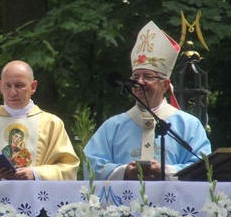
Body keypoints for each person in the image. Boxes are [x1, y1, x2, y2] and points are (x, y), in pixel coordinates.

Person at [84, 21, 211, 180]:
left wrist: (165, 171)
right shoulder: (113, 127)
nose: (140, 82)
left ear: (165, 85)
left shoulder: (188, 125)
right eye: (136, 77)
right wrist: (125, 171)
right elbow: (91, 165)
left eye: (148, 77)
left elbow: (203, 166)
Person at [0, 60, 80, 181]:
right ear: (0, 86)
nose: (13, 92)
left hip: (37, 198)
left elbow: (68, 167)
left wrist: (36, 173)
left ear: (33, 87)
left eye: (19, 86)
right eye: (7, 86)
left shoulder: (52, 124)